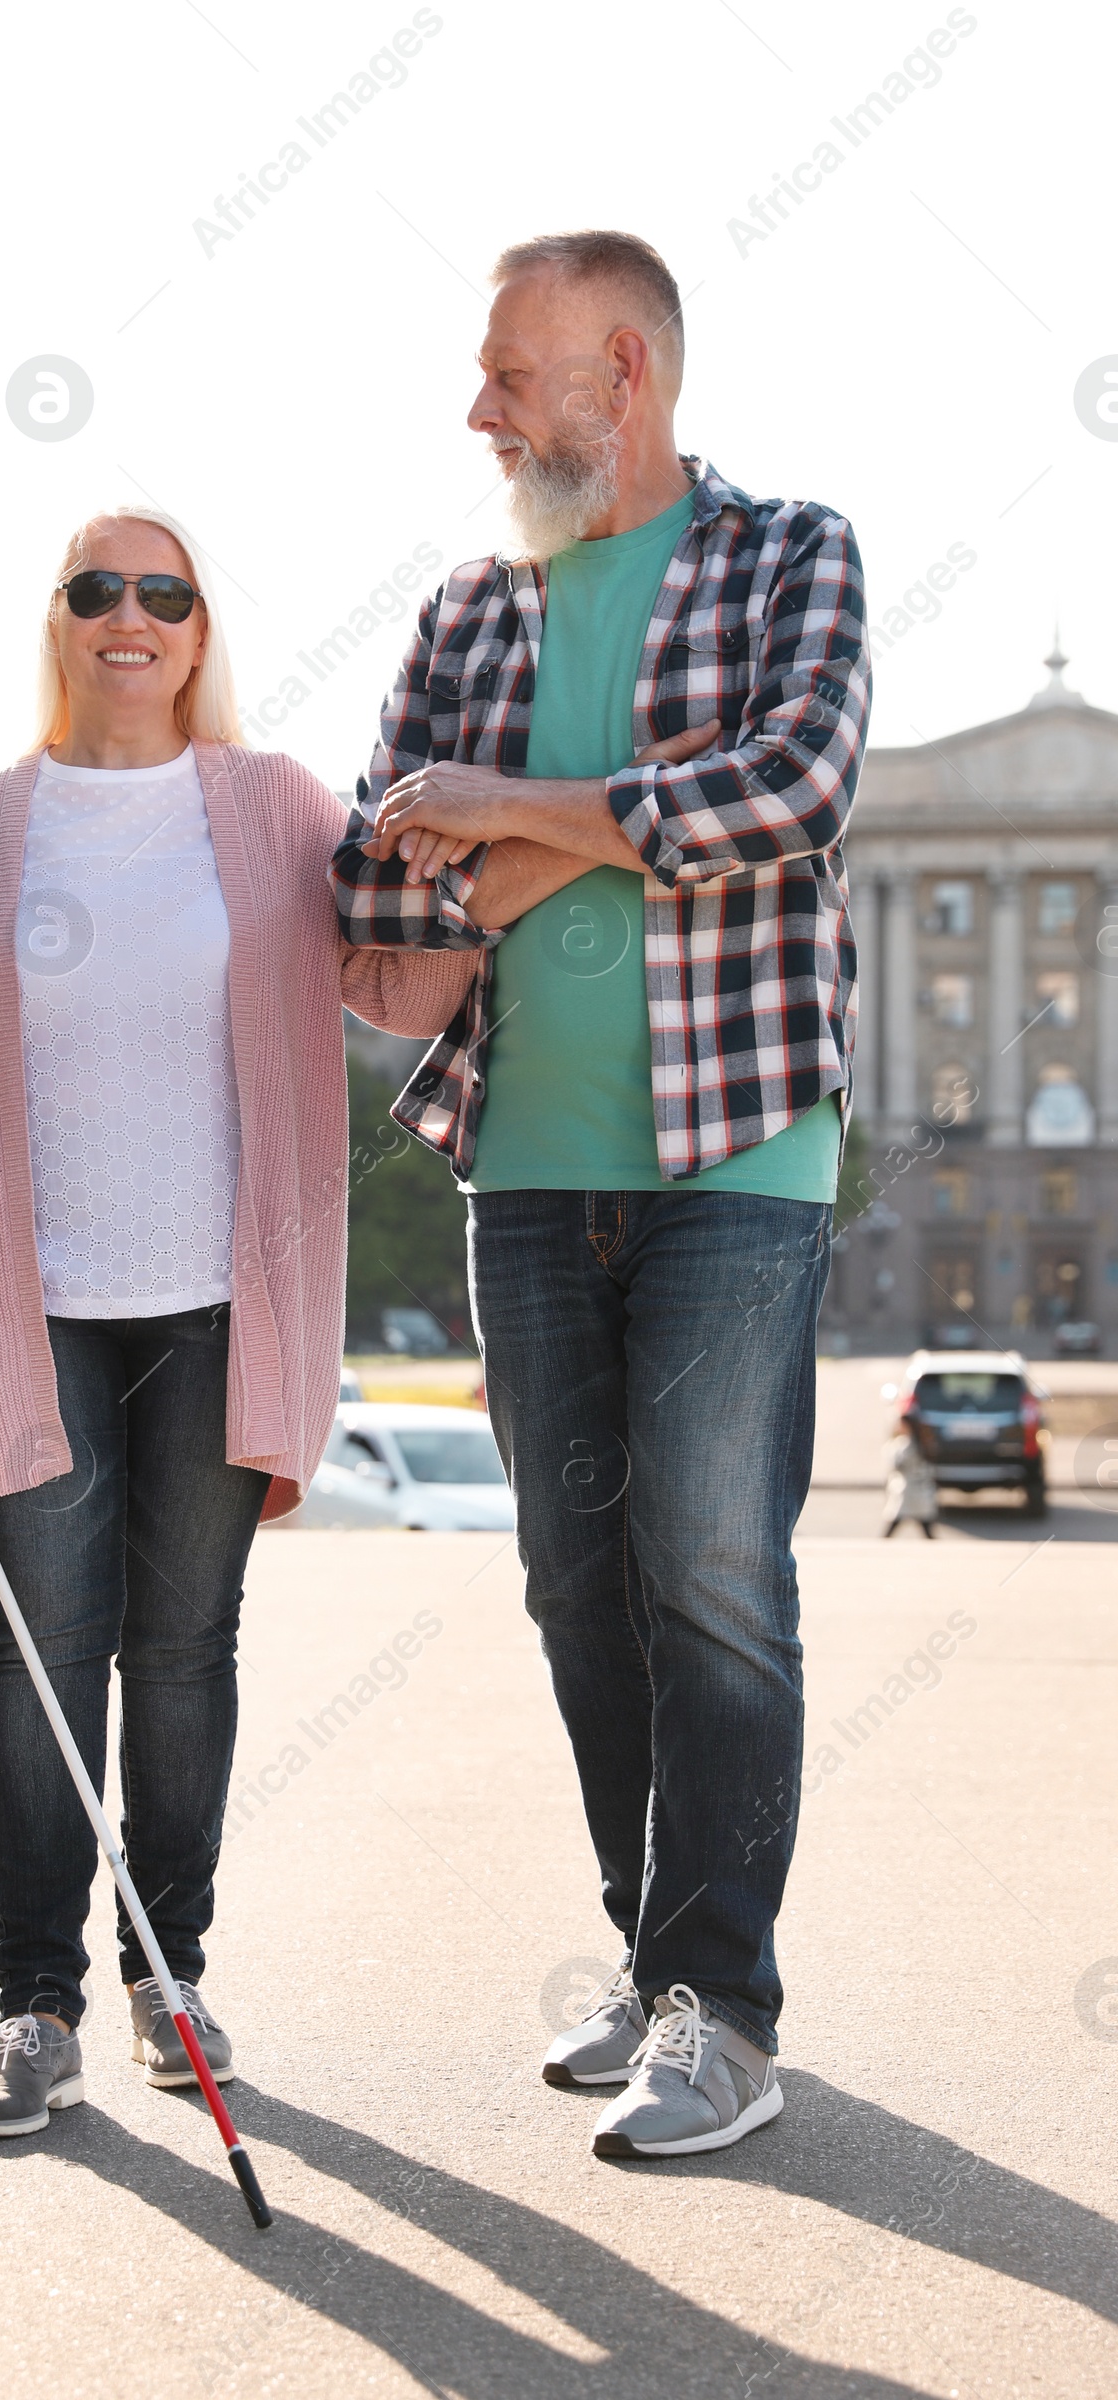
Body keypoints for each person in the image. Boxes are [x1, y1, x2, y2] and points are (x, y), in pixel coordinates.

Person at [332, 229, 870, 2158]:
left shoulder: (791, 553)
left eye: (512, 373)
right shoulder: (470, 608)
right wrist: (600, 833)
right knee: (577, 1592)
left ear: (623, 372)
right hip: (527, 1168)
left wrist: (520, 827)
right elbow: (381, 885)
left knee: (711, 1583)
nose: (481, 410)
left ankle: (724, 2011)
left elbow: (790, 787)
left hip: (742, 1152)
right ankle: (654, 1974)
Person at [0, 505, 474, 2138]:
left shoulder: (273, 808)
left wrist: (493, 843)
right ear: (57, 619)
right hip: (27, 1304)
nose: (131, 616)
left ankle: (166, 1979)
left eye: (165, 592)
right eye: (97, 589)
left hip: (224, 1298)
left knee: (184, 1650)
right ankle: (32, 2008)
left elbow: (400, 987)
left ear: (201, 629)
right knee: (43, 1650)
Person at [881, 1408, 939, 1537]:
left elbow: (895, 1464)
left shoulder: (905, 1445)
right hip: (922, 1492)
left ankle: (879, 1549)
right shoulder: (923, 1443)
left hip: (908, 1491)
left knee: (894, 1525)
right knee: (926, 1528)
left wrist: (892, 1439)